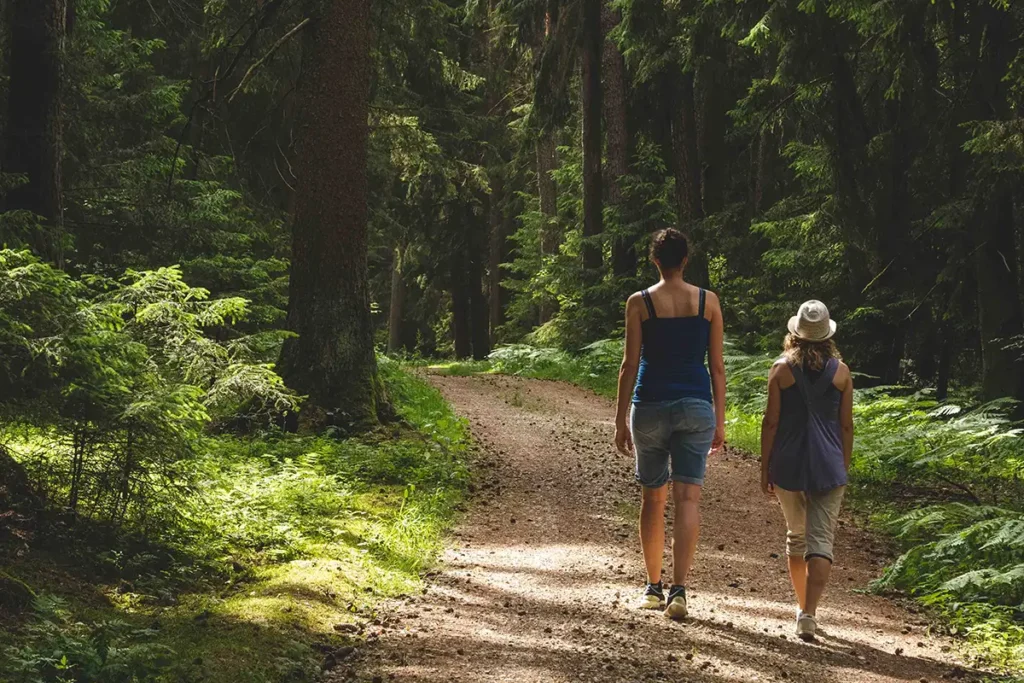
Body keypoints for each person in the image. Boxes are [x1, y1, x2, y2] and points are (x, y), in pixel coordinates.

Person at [614, 228, 726, 619]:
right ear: (686, 260)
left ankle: (651, 587)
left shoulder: (639, 302)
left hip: (649, 404)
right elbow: (717, 367)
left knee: (652, 496)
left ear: (654, 260)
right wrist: (721, 422)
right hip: (697, 406)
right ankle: (679, 591)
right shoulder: (707, 302)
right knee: (688, 498)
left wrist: (619, 420)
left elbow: (629, 364)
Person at [760, 300, 854, 641]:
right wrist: (841, 466)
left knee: (796, 537)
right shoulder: (842, 373)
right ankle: (809, 613)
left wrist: (764, 467)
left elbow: (770, 422)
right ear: (827, 335)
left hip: (788, 465)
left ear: (795, 334)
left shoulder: (781, 369)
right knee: (821, 542)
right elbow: (846, 427)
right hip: (828, 466)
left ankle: (802, 608)